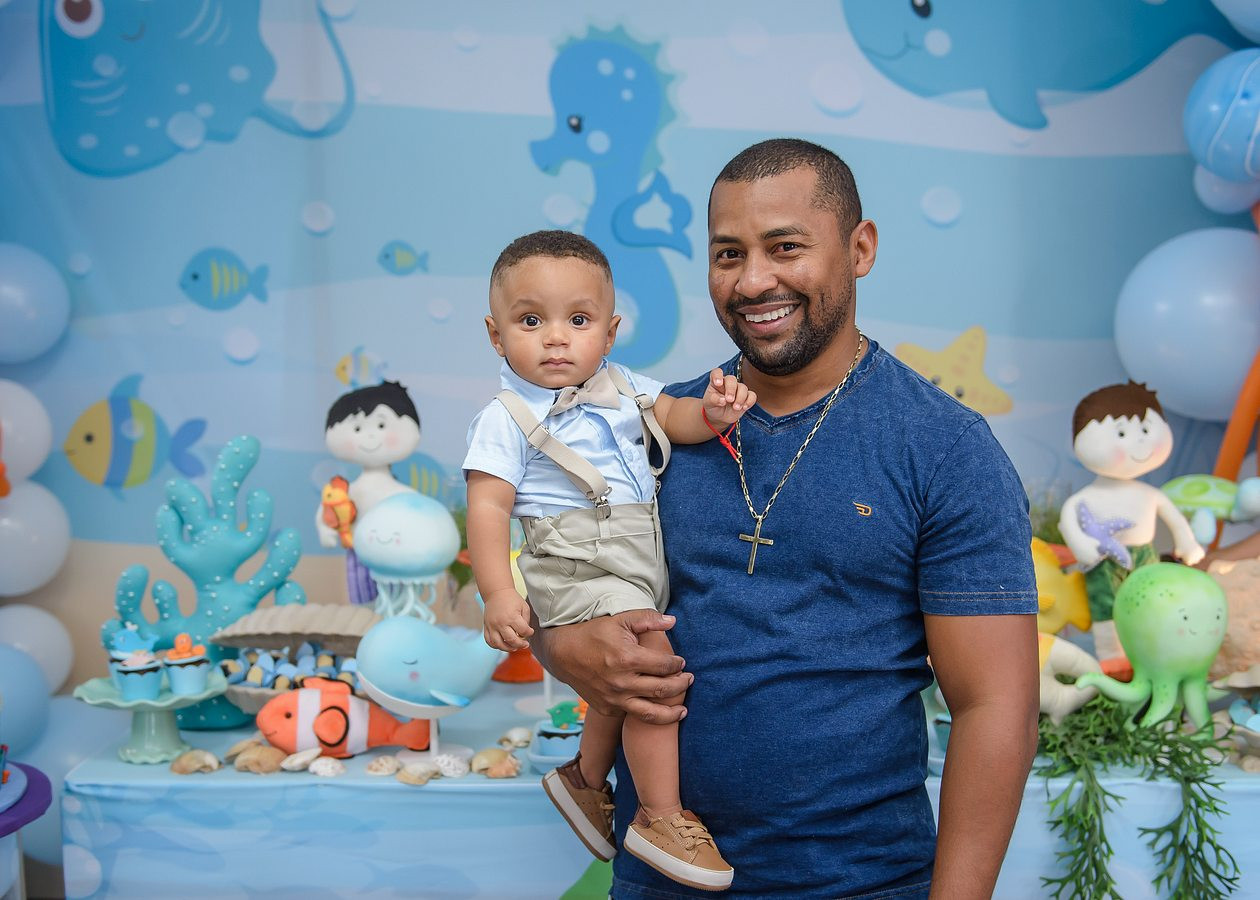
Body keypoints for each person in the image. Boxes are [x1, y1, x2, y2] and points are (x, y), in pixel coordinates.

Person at [528, 139, 1041, 899]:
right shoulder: (645, 428)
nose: (753, 281)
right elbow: (558, 587)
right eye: (728, 254)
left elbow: (996, 706)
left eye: (786, 247)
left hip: (865, 884)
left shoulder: (943, 447)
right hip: (660, 880)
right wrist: (562, 645)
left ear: (860, 249)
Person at [463, 230, 755, 891]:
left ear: (610, 331)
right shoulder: (505, 417)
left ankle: (585, 778)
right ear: (496, 334)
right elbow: (487, 508)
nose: (556, 338)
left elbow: (674, 416)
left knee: (619, 672)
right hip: (573, 559)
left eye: (578, 320)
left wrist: (712, 412)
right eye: (531, 321)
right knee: (650, 666)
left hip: (634, 557)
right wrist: (499, 593)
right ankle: (659, 814)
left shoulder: (623, 388)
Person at [1058, 382, 1204, 673]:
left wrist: (1187, 542)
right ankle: (1114, 661)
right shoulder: (1084, 499)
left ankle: (1154, 654)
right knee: (1106, 606)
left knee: (1153, 604)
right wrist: (1083, 545)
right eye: (1122, 434)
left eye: (1146, 430)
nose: (1138, 443)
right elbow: (1068, 522)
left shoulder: (1150, 495)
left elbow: (1176, 521)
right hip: (1103, 561)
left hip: (1145, 557)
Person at [316, 380, 421, 605]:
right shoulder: (344, 491)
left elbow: (419, 518)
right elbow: (327, 513)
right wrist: (326, 530)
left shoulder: (405, 495)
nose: (370, 437)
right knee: (361, 603)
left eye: (381, 426)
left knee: (397, 600)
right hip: (358, 555)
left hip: (396, 555)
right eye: (357, 429)